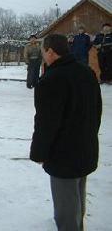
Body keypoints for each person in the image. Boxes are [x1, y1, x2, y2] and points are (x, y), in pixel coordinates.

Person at [30, 34, 102, 231]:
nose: (43, 55)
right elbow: (97, 110)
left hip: (63, 153)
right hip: (86, 147)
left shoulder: (51, 79)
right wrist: (89, 135)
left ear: (51, 52)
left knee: (66, 201)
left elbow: (46, 123)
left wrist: (39, 153)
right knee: (78, 191)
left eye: (44, 51)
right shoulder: (86, 72)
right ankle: (76, 223)